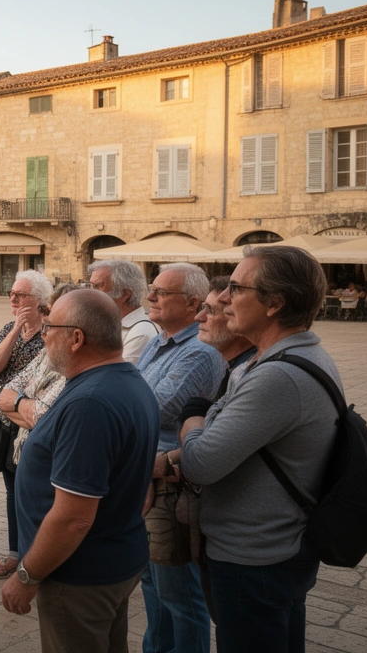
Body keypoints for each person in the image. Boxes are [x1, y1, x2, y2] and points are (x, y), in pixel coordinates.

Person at [178, 246, 340, 653]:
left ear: (275, 303)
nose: (225, 299)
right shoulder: (286, 356)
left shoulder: (278, 375)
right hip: (275, 546)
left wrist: (193, 417)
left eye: (236, 288)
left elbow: (200, 463)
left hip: (255, 558)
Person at [2, 290, 158, 653]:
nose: (42, 334)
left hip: (79, 577)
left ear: (76, 338)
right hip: (112, 561)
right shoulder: (126, 381)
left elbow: (73, 517)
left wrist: (27, 574)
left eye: (49, 327)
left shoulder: (91, 402)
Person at [135, 263, 226, 653]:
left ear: (192, 303)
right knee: (152, 586)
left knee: (179, 595)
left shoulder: (200, 350)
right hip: (145, 474)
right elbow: (133, 397)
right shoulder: (159, 340)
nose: (150, 296)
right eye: (151, 289)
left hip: (171, 483)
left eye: (160, 291)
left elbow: (152, 407)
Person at [0, 270, 50, 578]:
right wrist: (16, 329)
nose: (13, 298)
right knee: (12, 490)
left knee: (32, 490)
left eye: (20, 295)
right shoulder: (10, 328)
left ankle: (38, 556)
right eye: (12, 293)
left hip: (29, 423)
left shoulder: (50, 332)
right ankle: (15, 552)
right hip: (2, 421)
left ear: (39, 301)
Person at [0, 284, 77, 466]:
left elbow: (44, 418)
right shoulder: (46, 354)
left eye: (51, 322)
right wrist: (30, 410)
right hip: (23, 447)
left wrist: (17, 402)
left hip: (49, 458)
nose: (45, 329)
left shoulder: (73, 364)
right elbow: (3, 396)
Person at [87, 259, 158, 365]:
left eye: (98, 286)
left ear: (124, 294)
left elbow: (115, 376)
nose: (90, 293)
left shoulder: (141, 332)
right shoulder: (108, 324)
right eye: (90, 286)